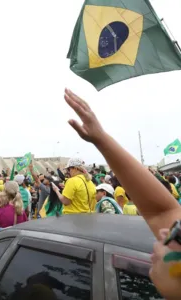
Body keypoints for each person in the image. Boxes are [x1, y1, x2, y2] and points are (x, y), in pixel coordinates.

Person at [64, 88, 181, 298]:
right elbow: (163, 212)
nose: (165, 233)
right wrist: (100, 139)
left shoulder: (74, 182)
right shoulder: (90, 183)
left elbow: (163, 212)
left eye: (179, 236)